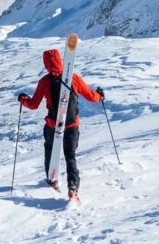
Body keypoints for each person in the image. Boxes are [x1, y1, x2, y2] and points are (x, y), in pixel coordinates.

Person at [18, 48, 104, 201]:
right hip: (71, 126)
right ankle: (73, 187)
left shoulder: (45, 81)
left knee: (51, 152)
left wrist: (23, 99)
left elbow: (33, 104)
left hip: (53, 126)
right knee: (70, 156)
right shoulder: (74, 78)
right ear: (60, 60)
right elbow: (90, 96)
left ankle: (52, 181)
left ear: (46, 63)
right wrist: (100, 96)